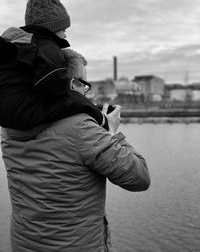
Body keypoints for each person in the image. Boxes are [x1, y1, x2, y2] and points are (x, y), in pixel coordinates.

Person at [1, 50, 151, 252]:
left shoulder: (11, 125)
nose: (87, 92)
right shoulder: (82, 129)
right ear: (73, 84)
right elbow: (139, 177)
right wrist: (111, 132)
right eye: (85, 85)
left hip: (25, 244)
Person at [0, 0, 107, 130]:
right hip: (22, 114)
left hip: (6, 114)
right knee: (76, 99)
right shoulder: (48, 47)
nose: (65, 35)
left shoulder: (22, 43)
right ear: (53, 27)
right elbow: (52, 89)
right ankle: (102, 120)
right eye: (64, 29)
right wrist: (90, 109)